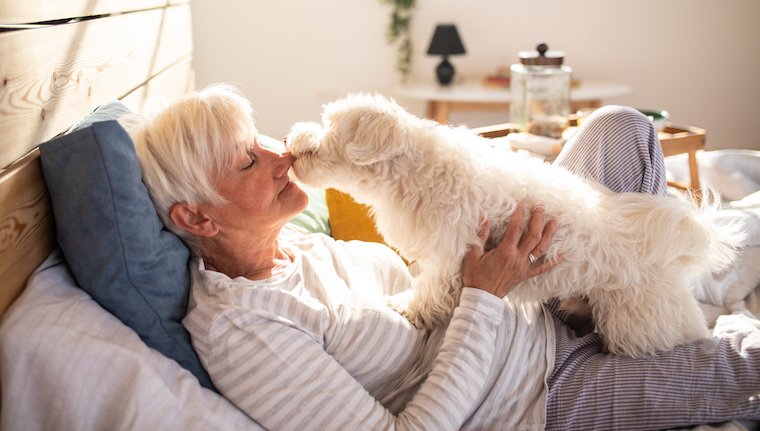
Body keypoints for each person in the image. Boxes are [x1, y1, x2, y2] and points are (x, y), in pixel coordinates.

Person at [126, 84, 760, 430]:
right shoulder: (244, 329)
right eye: (248, 161)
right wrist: (486, 293)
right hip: (535, 391)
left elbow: (435, 250)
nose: (278, 154)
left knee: (621, 129)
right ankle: (659, 292)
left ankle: (635, 278)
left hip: (535, 291)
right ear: (196, 217)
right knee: (743, 370)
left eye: (259, 140)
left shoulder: (297, 244)